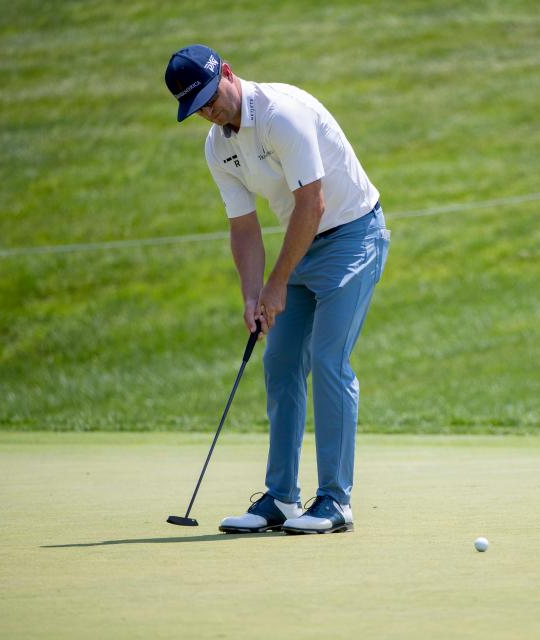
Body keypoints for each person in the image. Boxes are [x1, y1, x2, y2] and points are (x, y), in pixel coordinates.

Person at [165, 45, 390, 535]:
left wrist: (277, 283)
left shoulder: (281, 114)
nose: (210, 110)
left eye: (210, 96)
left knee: (330, 361)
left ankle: (335, 501)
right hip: (301, 242)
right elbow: (243, 227)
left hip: (353, 233)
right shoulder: (216, 147)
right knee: (281, 362)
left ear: (226, 72)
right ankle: (282, 499)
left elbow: (313, 202)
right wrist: (252, 296)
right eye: (198, 108)